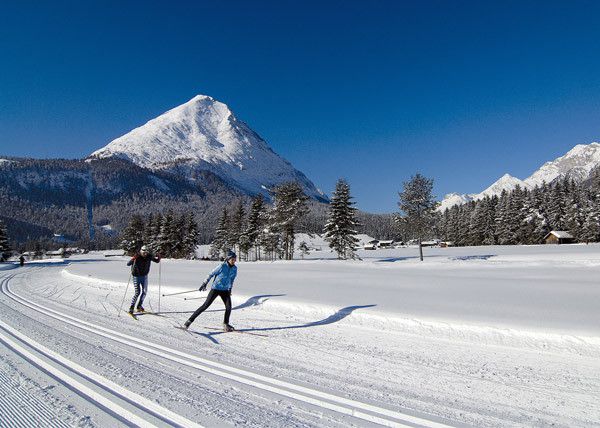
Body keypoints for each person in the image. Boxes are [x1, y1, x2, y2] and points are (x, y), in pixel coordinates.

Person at [184, 250, 237, 332]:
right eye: (232, 259)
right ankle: (189, 321)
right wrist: (204, 283)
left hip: (225, 290)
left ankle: (226, 324)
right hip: (215, 289)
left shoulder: (234, 269)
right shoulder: (222, 266)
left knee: (228, 307)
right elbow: (211, 274)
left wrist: (230, 289)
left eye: (235, 259)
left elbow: (232, 280)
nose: (234, 261)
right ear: (228, 259)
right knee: (205, 306)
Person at [126, 245, 160, 314]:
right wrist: (133, 259)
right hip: (136, 277)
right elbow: (128, 264)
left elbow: (156, 261)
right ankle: (131, 307)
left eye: (146, 252)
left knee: (144, 292)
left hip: (144, 277)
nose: (145, 254)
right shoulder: (137, 256)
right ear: (141, 251)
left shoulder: (149, 256)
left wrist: (158, 257)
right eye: (144, 252)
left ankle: (139, 306)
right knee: (137, 292)